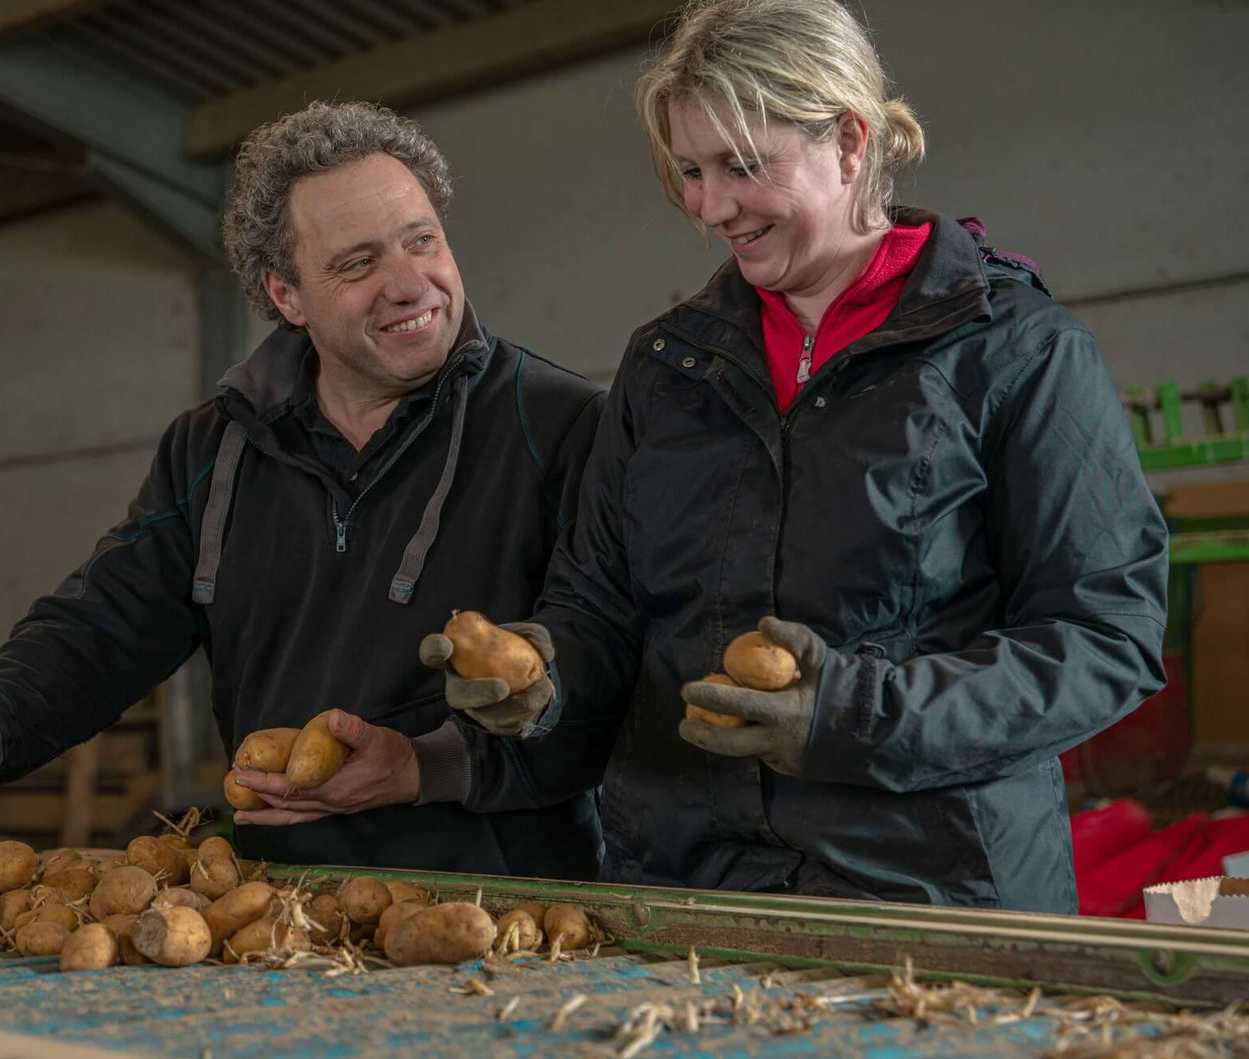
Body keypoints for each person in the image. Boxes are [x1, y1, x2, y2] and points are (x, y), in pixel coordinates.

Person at [419, 0, 1169, 911]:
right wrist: (542, 676)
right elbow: (602, 608)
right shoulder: (665, 369)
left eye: (742, 166)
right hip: (688, 891)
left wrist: (849, 715)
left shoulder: (1013, 352)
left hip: (933, 895)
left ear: (851, 142)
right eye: (691, 171)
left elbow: (1103, 639)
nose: (709, 205)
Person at [0, 101, 605, 881]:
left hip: (510, 918)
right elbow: (97, 631)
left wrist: (420, 765)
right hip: (277, 918)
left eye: (422, 241)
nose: (410, 284)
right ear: (287, 295)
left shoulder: (560, 426)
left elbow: (604, 674)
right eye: (357, 263)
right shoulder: (216, 449)